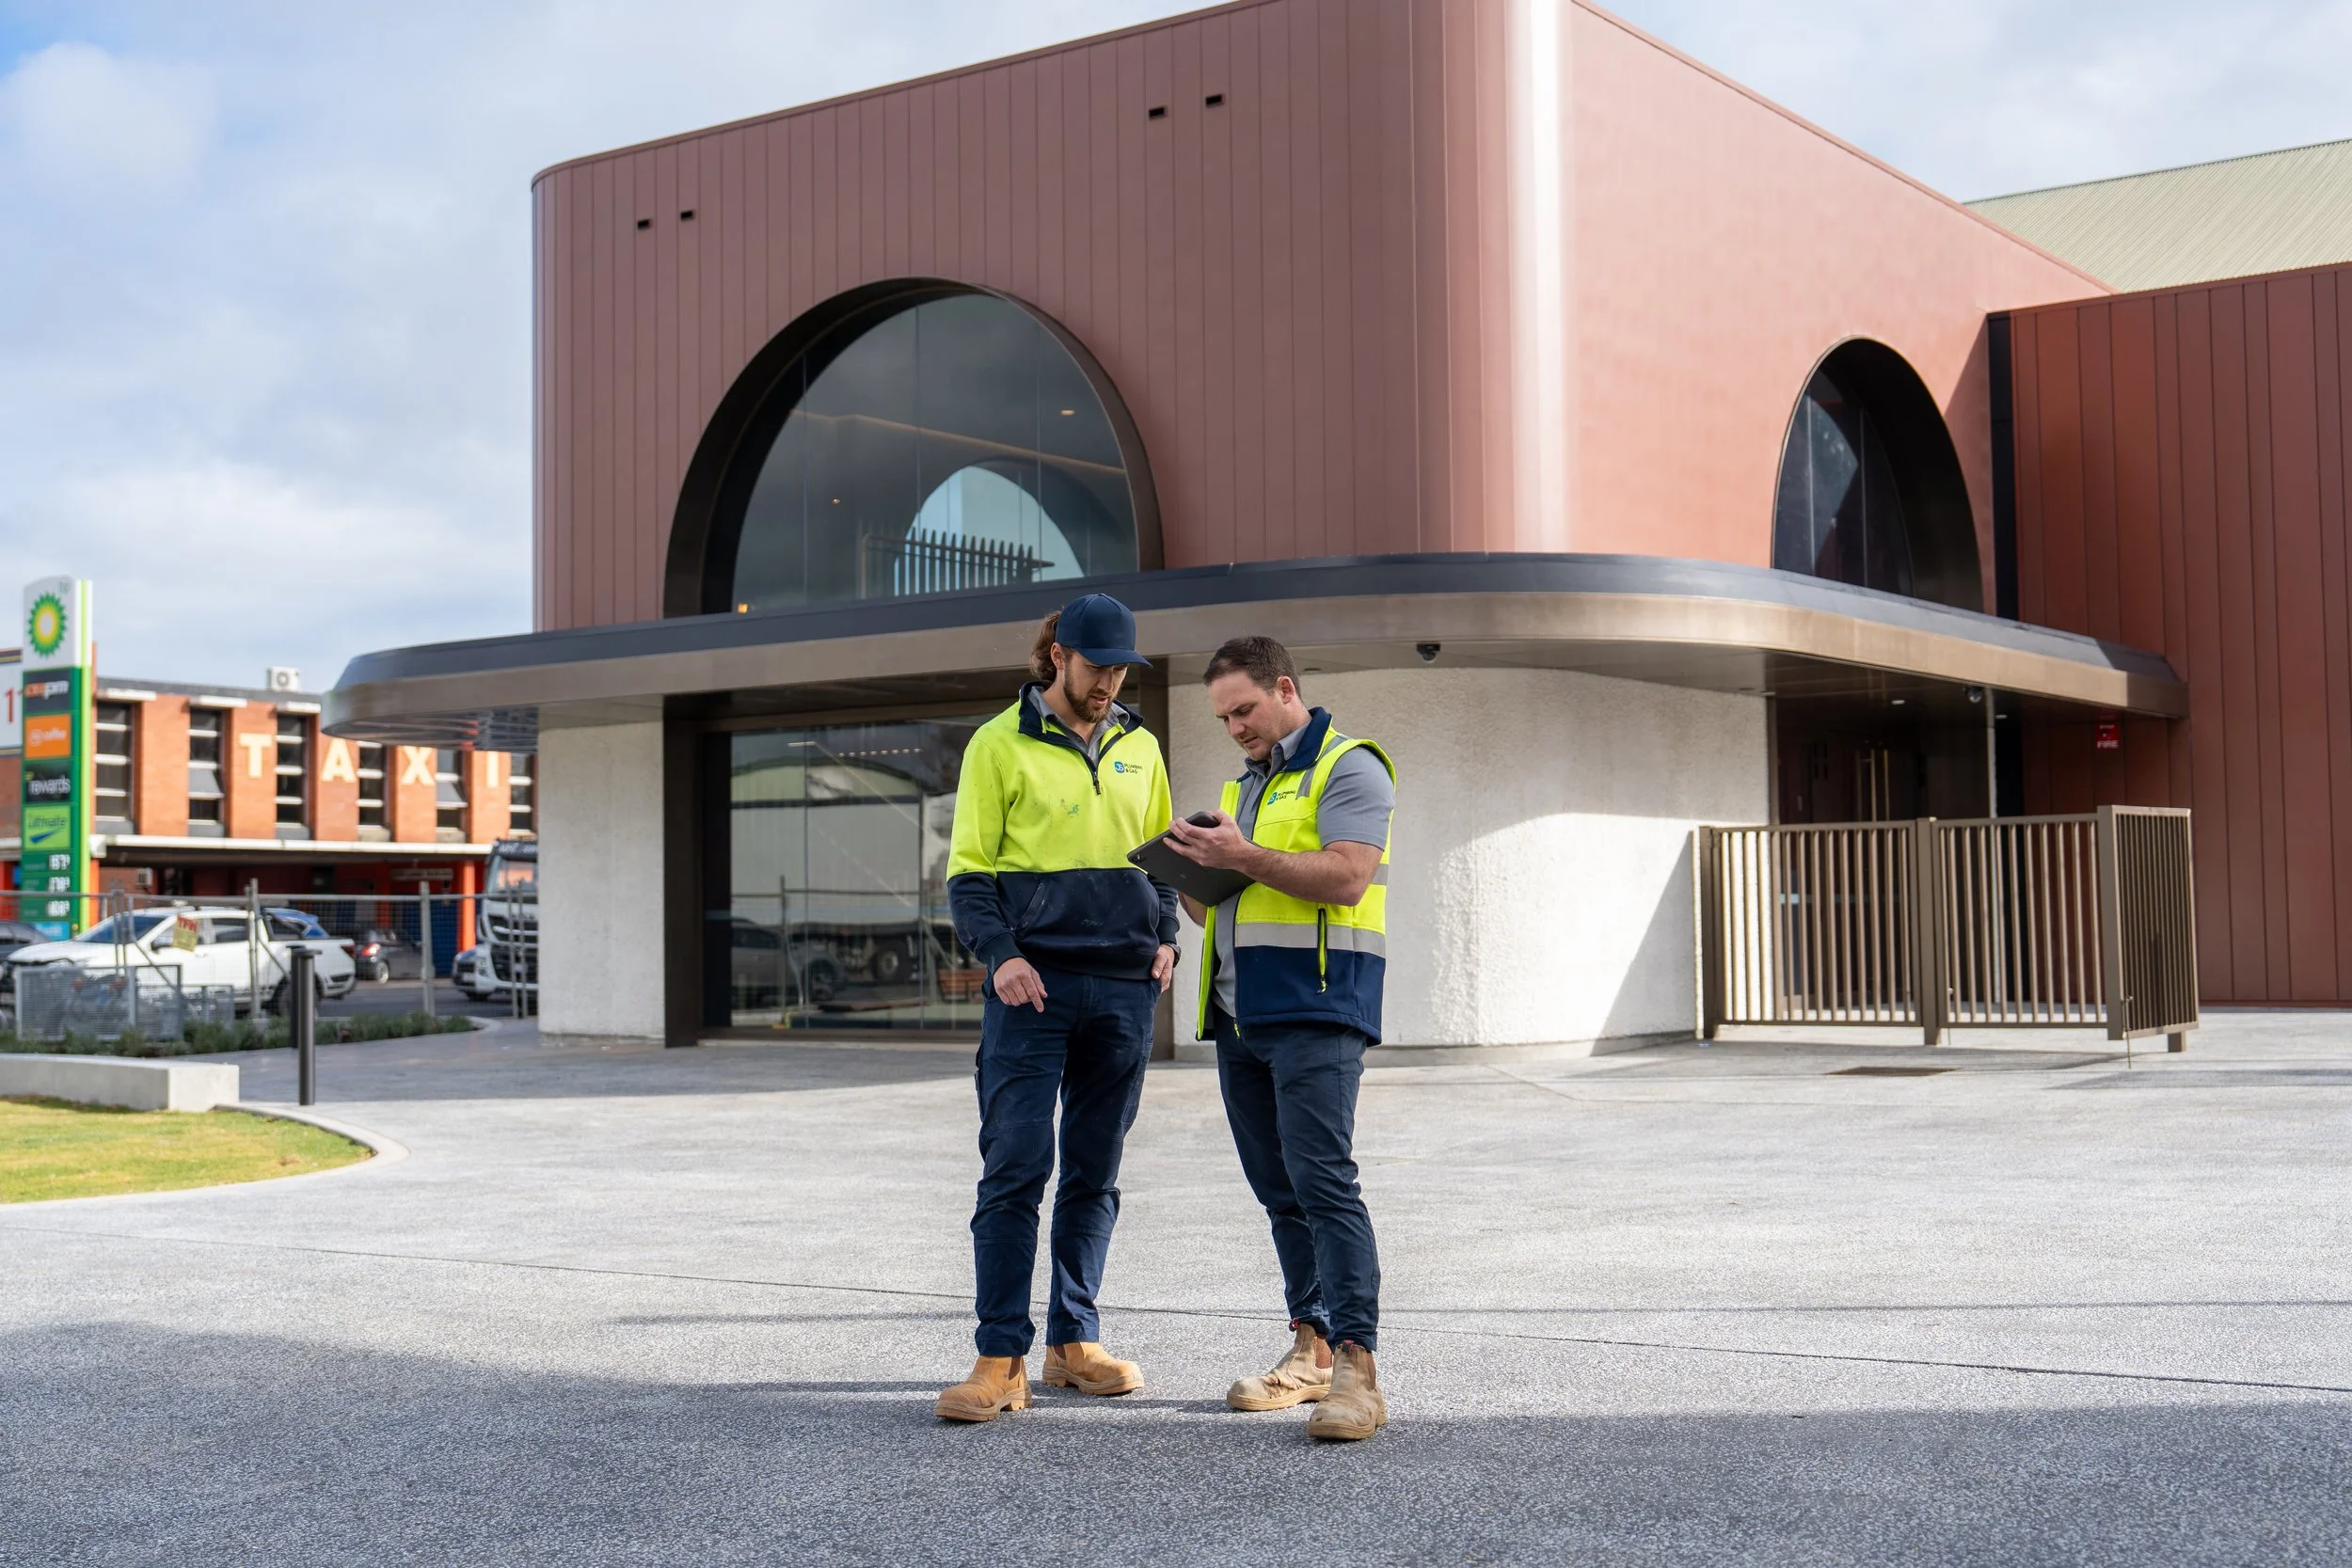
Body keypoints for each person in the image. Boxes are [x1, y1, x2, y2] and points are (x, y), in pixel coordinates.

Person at [932, 592, 1181, 1423]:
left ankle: (1074, 1342)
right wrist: (1000, 954)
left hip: (1121, 990)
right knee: (1014, 1168)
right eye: (1097, 664)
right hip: (1030, 990)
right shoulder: (996, 744)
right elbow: (968, 870)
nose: (1109, 679)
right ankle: (999, 1355)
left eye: (1120, 666)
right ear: (1057, 656)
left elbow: (1160, 857)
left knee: (1095, 1172)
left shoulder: (1142, 745)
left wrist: (1167, 935)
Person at [1165, 635, 1395, 1443]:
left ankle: (1358, 1373)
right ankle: (1310, 1348)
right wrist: (1189, 869)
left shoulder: (1351, 765)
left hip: (1318, 1010)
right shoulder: (1243, 786)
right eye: (1223, 716)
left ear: (1286, 688)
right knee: (1281, 1194)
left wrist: (1244, 854)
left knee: (1325, 1183)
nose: (1233, 727)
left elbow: (1346, 876)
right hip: (1240, 1017)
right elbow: (1225, 905)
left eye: (1244, 709)